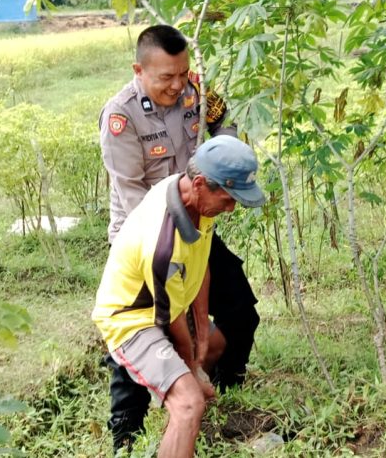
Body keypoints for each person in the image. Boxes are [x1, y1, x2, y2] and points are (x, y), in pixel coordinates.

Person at [99, 25, 261, 451]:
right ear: (139, 70)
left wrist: (224, 180)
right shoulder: (121, 116)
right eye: (165, 77)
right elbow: (131, 193)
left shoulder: (196, 92)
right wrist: (176, 247)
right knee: (145, 326)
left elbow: (225, 129)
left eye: (182, 73)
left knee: (241, 307)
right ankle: (127, 433)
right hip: (148, 231)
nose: (176, 85)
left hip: (198, 215)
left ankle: (225, 385)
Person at [91, 136, 265, 458]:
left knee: (214, 345)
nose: (232, 208)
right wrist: (192, 365)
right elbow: (169, 321)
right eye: (229, 199)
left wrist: (201, 336)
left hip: (166, 302)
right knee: (189, 404)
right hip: (133, 318)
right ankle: (173, 412)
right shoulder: (162, 244)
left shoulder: (190, 195)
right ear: (200, 184)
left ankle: (181, 422)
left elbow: (200, 268)